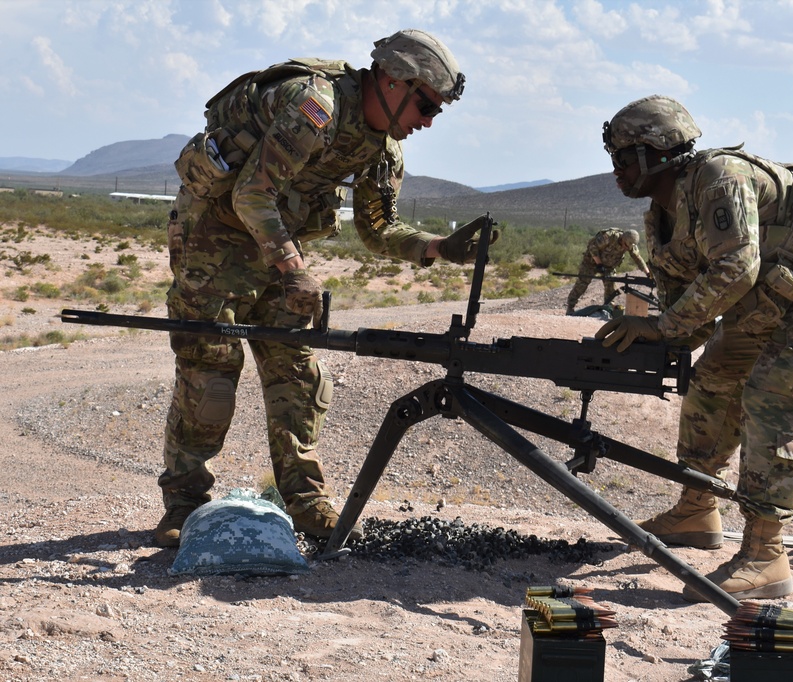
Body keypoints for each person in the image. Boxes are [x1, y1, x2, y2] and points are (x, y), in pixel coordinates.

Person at [156, 29, 491, 548]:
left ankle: (305, 501)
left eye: (437, 111)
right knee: (211, 373)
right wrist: (293, 268)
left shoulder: (383, 150)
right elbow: (251, 194)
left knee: (296, 371)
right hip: (213, 241)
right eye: (426, 104)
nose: (428, 120)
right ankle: (184, 503)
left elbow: (379, 229)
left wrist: (438, 247)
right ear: (393, 80)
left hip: (276, 251)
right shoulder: (315, 105)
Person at [595, 95, 793, 600]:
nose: (616, 170)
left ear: (656, 153)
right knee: (712, 384)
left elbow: (736, 268)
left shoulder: (718, 176)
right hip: (771, 298)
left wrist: (663, 327)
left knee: (773, 402)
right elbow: (684, 306)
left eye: (623, 157)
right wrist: (638, 341)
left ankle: (765, 557)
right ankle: (697, 509)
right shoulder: (659, 217)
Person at [566, 228, 651, 314]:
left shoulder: (630, 244)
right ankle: (570, 306)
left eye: (628, 247)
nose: (626, 248)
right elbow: (593, 247)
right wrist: (599, 264)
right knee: (582, 283)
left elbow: (638, 258)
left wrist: (648, 273)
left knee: (610, 286)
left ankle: (607, 308)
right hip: (591, 263)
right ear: (622, 239)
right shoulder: (610, 236)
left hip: (608, 267)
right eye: (625, 245)